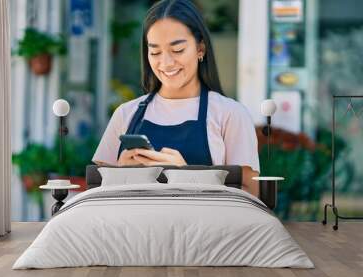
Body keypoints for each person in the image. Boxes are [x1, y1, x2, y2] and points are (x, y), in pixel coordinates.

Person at [92, 0, 260, 196]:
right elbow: (97, 192)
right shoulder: (125, 114)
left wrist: (185, 175)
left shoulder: (230, 114)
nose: (166, 63)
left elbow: (251, 194)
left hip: (204, 227)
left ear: (200, 49)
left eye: (177, 50)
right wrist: (121, 173)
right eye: (155, 52)